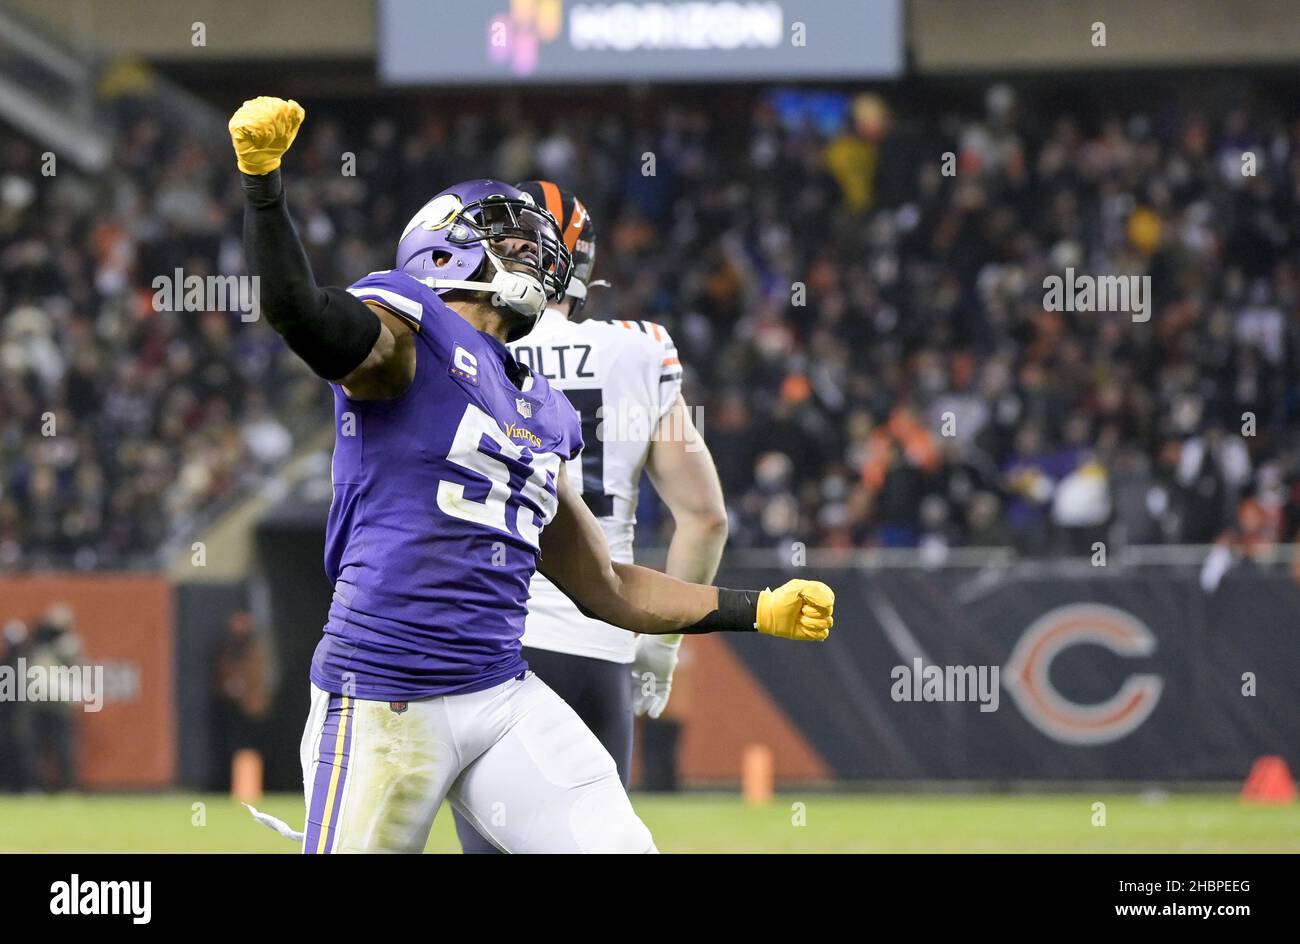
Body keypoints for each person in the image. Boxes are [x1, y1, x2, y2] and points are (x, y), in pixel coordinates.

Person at [229, 97, 835, 853]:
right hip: (383, 698)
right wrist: (264, 185)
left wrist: (757, 608)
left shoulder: (536, 402)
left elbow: (608, 587)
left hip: (499, 691)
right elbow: (299, 312)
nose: (531, 251)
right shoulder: (406, 328)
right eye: (505, 236)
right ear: (442, 250)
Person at [453, 181, 728, 853]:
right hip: (597, 641)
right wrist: (658, 652)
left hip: (486, 636)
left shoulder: (452, 346)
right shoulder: (638, 350)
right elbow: (705, 518)